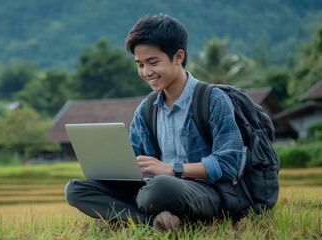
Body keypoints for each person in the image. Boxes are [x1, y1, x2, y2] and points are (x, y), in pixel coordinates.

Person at [65, 14, 247, 233]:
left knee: (159, 188)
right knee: (76, 190)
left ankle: (124, 215)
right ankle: (153, 223)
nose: (146, 72)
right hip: (151, 188)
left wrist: (172, 170)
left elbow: (229, 164)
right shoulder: (146, 109)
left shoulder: (213, 99)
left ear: (178, 56)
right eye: (140, 65)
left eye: (153, 63)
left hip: (203, 192)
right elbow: (136, 162)